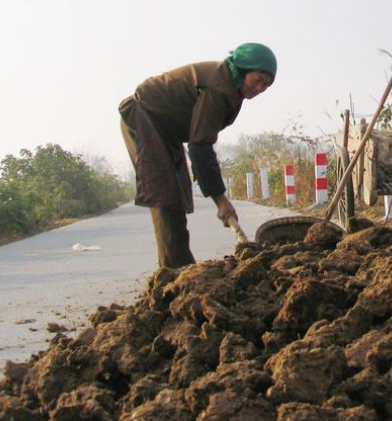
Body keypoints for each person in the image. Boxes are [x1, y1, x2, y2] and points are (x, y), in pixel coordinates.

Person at [119, 42, 277, 268]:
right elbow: (200, 147)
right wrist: (221, 200)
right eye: (258, 79)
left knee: (178, 194)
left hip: (167, 131)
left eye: (266, 85)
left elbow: (200, 141)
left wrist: (218, 197)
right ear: (243, 70)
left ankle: (181, 266)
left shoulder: (233, 88)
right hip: (144, 118)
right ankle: (175, 273)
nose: (260, 88)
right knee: (166, 196)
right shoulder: (219, 87)